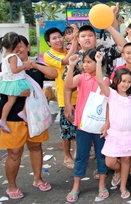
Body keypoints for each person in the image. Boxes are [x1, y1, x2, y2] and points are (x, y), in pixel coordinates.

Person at [0, 35, 57, 199]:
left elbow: (53, 73)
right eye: (17, 46)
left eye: (22, 46)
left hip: (34, 116)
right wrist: (20, 92)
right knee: (14, 153)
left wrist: (33, 65)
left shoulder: (35, 68)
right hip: (13, 117)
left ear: (28, 47)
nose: (19, 49)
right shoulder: (7, 64)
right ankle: (12, 186)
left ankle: (38, 179)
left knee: (36, 147)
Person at [64, 49, 110, 202]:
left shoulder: (104, 79)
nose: (86, 65)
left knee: (101, 155)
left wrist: (98, 63)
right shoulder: (80, 78)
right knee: (81, 155)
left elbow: (100, 82)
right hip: (83, 124)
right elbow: (68, 84)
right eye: (84, 62)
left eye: (89, 62)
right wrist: (71, 66)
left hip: (99, 125)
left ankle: (102, 183)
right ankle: (76, 185)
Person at [96, 52, 131, 199]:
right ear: (116, 81)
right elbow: (100, 81)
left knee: (127, 159)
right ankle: (121, 171)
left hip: (130, 133)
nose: (126, 84)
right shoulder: (112, 94)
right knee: (110, 161)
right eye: (123, 81)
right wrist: (98, 62)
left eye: (128, 81)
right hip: (114, 134)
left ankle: (123, 186)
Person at [43, 26, 78, 169]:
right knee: (66, 129)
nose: (58, 40)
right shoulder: (49, 55)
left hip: (79, 95)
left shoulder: (67, 48)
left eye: (59, 37)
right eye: (54, 38)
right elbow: (65, 61)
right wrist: (75, 39)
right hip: (66, 98)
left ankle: (78, 153)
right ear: (49, 42)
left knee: (78, 128)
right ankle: (67, 156)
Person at [0, 32, 33, 133]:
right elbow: (14, 70)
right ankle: (22, 113)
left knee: (10, 102)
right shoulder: (13, 56)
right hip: (15, 82)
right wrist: (24, 66)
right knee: (31, 92)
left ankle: (3, 119)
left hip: (8, 82)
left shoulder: (6, 55)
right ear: (16, 44)